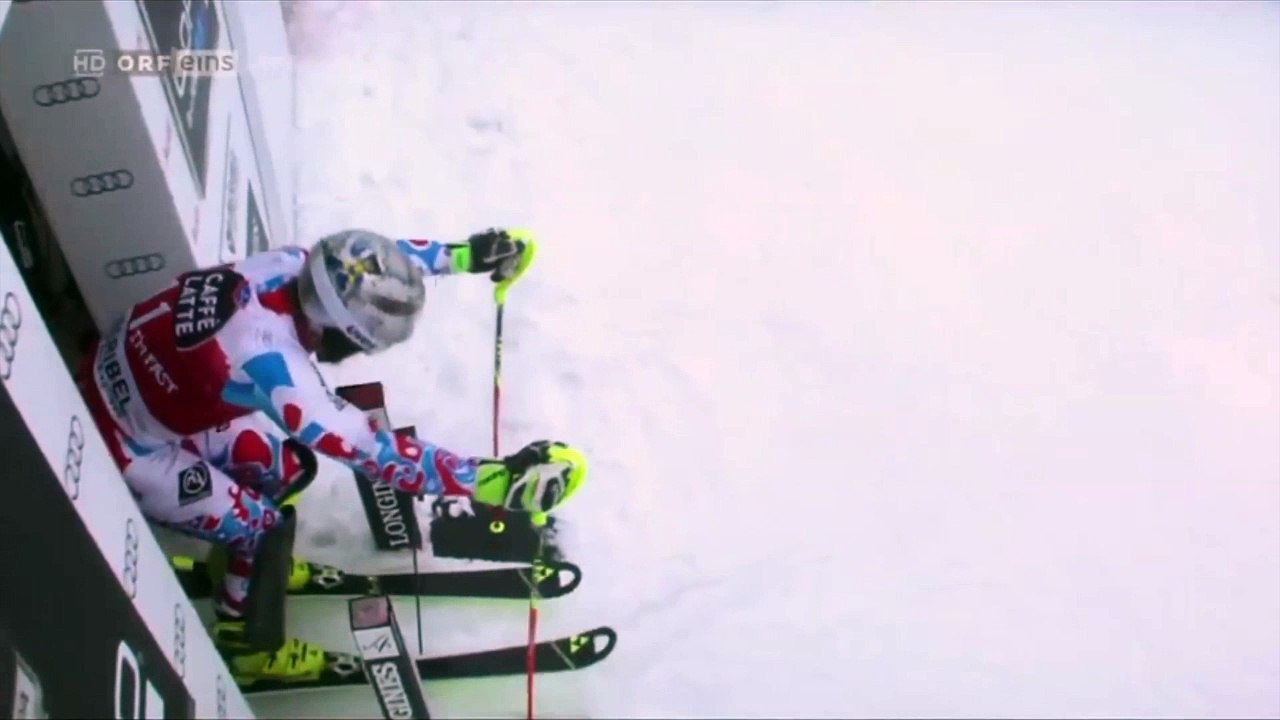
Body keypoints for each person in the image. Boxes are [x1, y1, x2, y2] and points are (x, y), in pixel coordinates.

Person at [75, 228, 580, 683]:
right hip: (128, 443)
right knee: (262, 527)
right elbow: (372, 452)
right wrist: (490, 482)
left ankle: (236, 572)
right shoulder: (274, 365)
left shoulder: (290, 266)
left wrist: (466, 256)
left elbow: (373, 263)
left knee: (286, 469)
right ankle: (249, 649)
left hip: (128, 384)